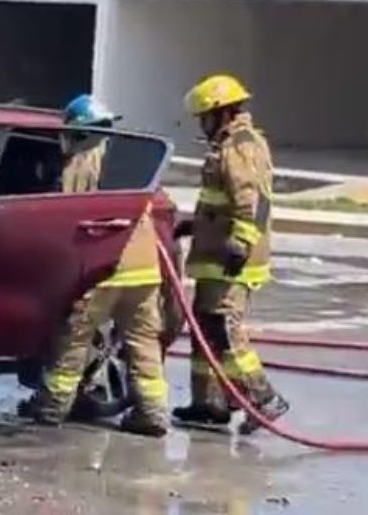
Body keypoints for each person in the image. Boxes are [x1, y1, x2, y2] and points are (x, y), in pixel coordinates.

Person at [20, 94, 170, 437]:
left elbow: (67, 212)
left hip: (105, 265)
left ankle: (51, 407)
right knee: (143, 342)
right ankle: (153, 414)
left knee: (75, 337)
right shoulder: (134, 158)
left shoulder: (81, 160)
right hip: (144, 266)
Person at [173, 74, 288, 434]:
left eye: (203, 117)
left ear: (221, 113)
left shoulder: (240, 146)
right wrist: (195, 225)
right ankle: (210, 404)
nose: (201, 125)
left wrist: (239, 245)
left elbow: (251, 203)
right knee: (205, 329)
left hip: (231, 260)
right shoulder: (228, 144)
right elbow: (220, 203)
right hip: (216, 255)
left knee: (223, 329)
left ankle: (263, 399)